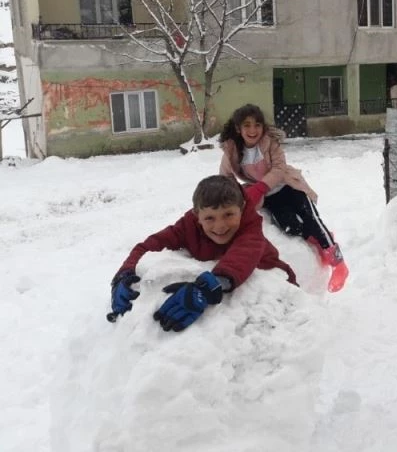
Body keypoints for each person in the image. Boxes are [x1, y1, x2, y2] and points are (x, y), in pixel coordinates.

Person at [108, 175, 297, 332]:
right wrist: (124, 274)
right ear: (197, 216)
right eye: (209, 218)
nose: (220, 226)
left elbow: (243, 253)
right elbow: (149, 246)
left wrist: (209, 287)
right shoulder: (188, 226)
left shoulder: (250, 226)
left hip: (275, 286)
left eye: (229, 215)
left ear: (241, 209)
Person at [218, 103, 349, 293]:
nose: (253, 130)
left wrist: (261, 186)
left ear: (263, 127)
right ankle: (318, 242)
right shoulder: (232, 151)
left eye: (257, 125)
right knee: (290, 227)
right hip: (269, 197)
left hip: (288, 185)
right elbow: (225, 178)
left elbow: (279, 169)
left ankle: (338, 264)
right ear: (238, 128)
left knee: (312, 219)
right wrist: (235, 196)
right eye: (247, 125)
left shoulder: (270, 143)